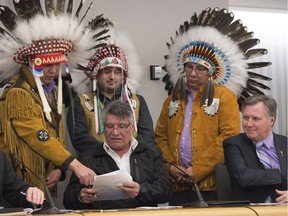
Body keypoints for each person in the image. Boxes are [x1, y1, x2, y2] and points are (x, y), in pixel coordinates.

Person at [155, 7, 271, 205]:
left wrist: (196, 170)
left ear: (210, 72)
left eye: (200, 69)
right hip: (175, 183)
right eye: (189, 67)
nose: (193, 73)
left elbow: (228, 138)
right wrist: (170, 167)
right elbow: (160, 137)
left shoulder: (224, 97)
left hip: (210, 185)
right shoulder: (172, 100)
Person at [0, 1, 110, 190]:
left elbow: (56, 133)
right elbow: (36, 133)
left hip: (45, 180)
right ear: (31, 62)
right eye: (46, 65)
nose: (52, 70)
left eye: (57, 64)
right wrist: (73, 164)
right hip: (18, 182)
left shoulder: (51, 90)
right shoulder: (18, 93)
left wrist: (59, 168)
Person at [63, 100, 171, 210]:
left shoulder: (150, 154)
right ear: (104, 128)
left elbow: (166, 192)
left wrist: (141, 190)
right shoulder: (89, 157)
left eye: (122, 126)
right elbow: (67, 199)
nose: (115, 132)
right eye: (109, 126)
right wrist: (80, 197)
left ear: (132, 128)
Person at [67, 30, 154, 154]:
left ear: (123, 76)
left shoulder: (137, 102)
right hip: (94, 167)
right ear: (96, 75)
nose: (112, 77)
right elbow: (79, 139)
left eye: (117, 72)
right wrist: (111, 154)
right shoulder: (80, 103)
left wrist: (126, 155)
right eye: (107, 71)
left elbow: (147, 137)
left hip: (132, 165)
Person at [223, 95, 287, 203]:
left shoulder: (285, 144)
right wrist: (279, 173)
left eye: (256, 119)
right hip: (251, 210)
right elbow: (243, 176)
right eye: (245, 118)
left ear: (271, 120)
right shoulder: (233, 144)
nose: (249, 124)